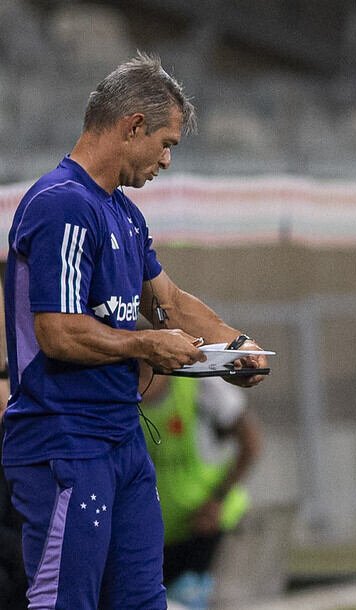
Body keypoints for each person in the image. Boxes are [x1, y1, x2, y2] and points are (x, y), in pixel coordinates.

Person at [2, 52, 269, 610]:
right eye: (166, 143)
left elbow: (167, 301)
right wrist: (146, 344)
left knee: (143, 601)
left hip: (120, 439)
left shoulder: (122, 213)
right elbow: (57, 332)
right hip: (65, 441)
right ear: (133, 127)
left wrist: (235, 345)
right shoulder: (63, 205)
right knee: (63, 602)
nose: (167, 160)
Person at [138, 366, 262, 609]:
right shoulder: (119, 398)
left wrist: (217, 500)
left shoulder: (199, 387)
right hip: (160, 536)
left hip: (212, 527)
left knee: (208, 600)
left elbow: (251, 442)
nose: (138, 378)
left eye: (144, 370)